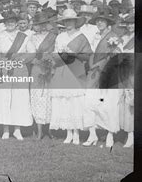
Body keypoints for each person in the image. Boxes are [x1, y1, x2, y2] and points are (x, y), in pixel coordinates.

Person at [49, 9, 92, 145]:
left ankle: (77, 133)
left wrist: (73, 54)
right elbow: (54, 54)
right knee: (64, 101)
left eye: (71, 21)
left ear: (75, 22)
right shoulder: (60, 37)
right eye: (66, 21)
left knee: (75, 102)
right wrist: (59, 55)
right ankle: (68, 132)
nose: (68, 23)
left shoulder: (81, 37)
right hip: (62, 70)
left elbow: (87, 55)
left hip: (75, 70)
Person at [83, 10, 120, 147]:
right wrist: (92, 64)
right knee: (89, 102)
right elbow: (92, 53)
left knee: (106, 103)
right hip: (93, 72)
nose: (99, 23)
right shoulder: (95, 36)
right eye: (97, 21)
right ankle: (92, 134)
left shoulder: (113, 37)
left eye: (102, 21)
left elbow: (115, 56)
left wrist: (99, 65)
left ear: (107, 23)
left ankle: (110, 134)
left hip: (107, 73)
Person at [0, 12, 33, 140]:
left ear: (16, 23)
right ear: (4, 23)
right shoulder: (0, 36)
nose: (10, 24)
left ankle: (17, 129)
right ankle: (6, 129)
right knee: (5, 98)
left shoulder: (24, 36)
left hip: (19, 69)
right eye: (7, 22)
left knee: (19, 99)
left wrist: (20, 60)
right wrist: (1, 64)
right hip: (4, 69)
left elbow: (32, 53)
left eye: (12, 21)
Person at [27, 12, 57, 140]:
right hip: (37, 69)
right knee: (37, 97)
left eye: (43, 24)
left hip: (49, 68)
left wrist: (51, 64)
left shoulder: (53, 36)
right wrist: (37, 62)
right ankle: (39, 130)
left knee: (49, 98)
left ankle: (49, 129)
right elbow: (29, 54)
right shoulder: (31, 38)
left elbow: (56, 51)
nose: (40, 27)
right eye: (38, 24)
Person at [117, 13, 134, 148]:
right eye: (128, 23)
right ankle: (129, 134)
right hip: (124, 71)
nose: (130, 26)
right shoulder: (122, 38)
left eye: (133, 23)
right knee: (126, 101)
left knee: (133, 101)